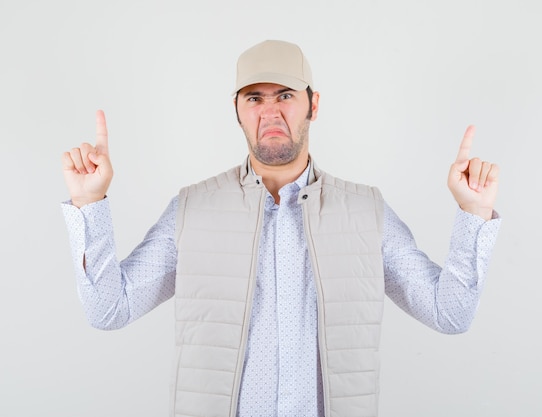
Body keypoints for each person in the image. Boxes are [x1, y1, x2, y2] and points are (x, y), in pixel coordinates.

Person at [61, 40, 501, 417]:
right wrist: (89, 202)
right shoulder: (192, 210)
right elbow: (108, 309)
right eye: (254, 98)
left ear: (314, 103)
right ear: (236, 110)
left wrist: (473, 214)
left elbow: (450, 314)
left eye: (285, 95)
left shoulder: (367, 212)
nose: (269, 111)